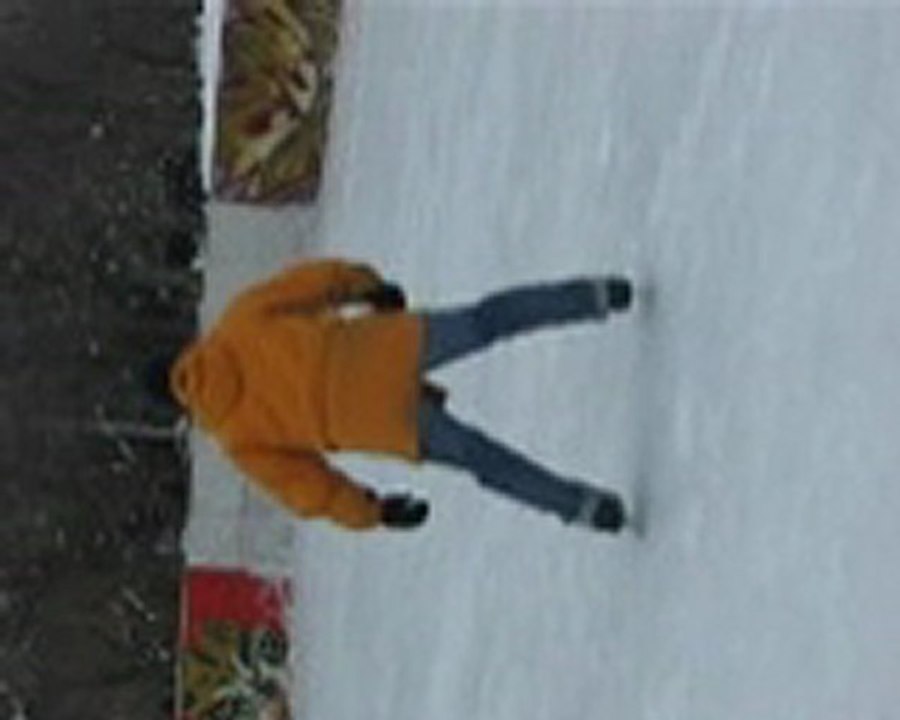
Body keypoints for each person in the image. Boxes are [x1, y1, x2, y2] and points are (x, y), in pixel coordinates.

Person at [153, 258, 633, 534]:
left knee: (486, 461)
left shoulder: (237, 437)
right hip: (383, 348)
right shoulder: (239, 321)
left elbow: (306, 488)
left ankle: (584, 508)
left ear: (180, 407)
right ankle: (593, 296)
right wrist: (368, 286)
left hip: (382, 421)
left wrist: (374, 511)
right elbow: (314, 283)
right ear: (187, 349)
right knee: (488, 320)